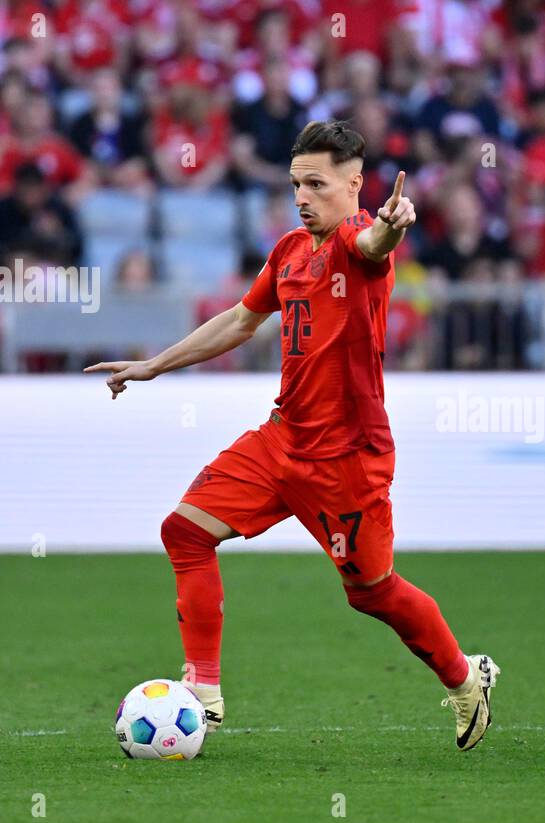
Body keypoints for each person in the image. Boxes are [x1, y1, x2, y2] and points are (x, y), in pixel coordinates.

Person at [83, 121, 500, 751]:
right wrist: (153, 365)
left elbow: (375, 245)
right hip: (282, 439)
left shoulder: (357, 241)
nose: (302, 197)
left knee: (372, 592)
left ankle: (465, 677)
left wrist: (395, 222)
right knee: (186, 530)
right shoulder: (288, 252)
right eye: (295, 184)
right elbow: (239, 322)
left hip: (347, 461)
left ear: (354, 185)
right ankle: (203, 690)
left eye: (316, 184)